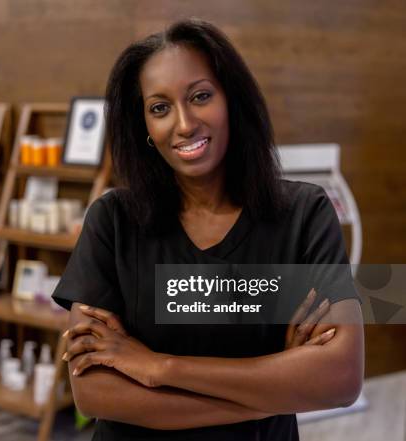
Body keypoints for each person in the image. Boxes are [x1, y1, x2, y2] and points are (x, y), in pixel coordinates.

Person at [51, 19, 363, 441]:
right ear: (143, 125)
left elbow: (341, 377)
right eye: (159, 108)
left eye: (200, 96)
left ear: (232, 99)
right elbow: (94, 393)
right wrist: (276, 386)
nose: (184, 124)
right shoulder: (113, 221)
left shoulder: (304, 215)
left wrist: (160, 367)